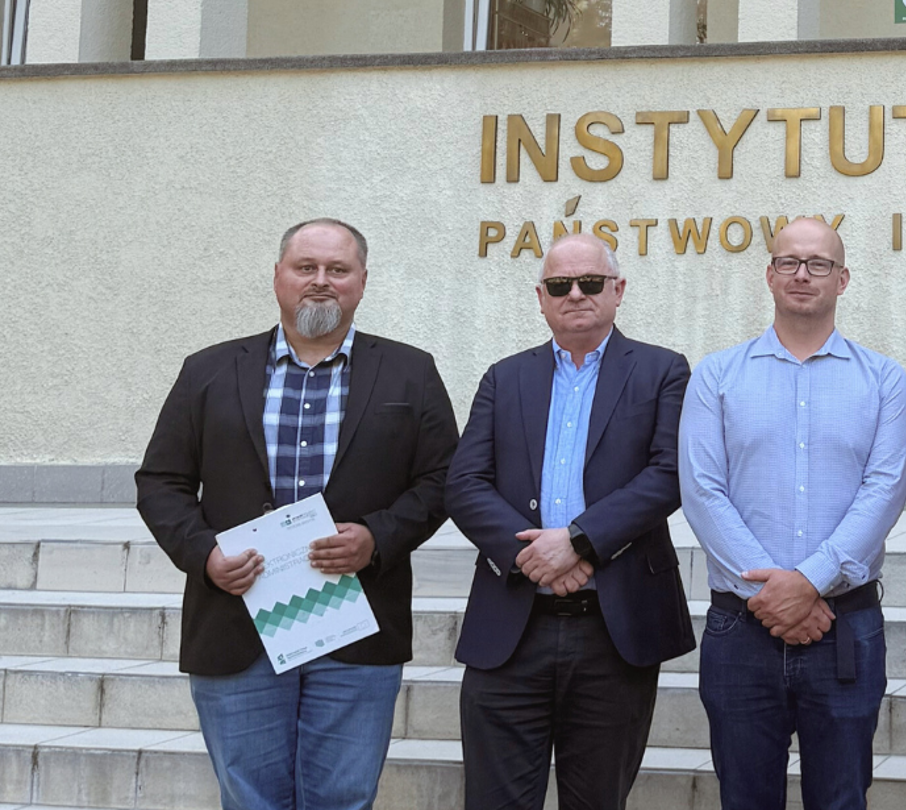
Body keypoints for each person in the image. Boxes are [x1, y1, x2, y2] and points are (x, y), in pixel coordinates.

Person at [134, 218, 459, 810]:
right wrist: (204, 555)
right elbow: (161, 481)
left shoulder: (411, 371)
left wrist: (378, 538)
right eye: (305, 268)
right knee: (251, 799)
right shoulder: (207, 370)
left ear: (362, 282)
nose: (321, 282)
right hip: (237, 623)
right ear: (278, 277)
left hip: (356, 623)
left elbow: (443, 479)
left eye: (338, 270)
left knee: (343, 797)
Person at [445, 234, 695, 810]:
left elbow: (669, 474)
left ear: (618, 290)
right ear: (541, 297)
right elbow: (463, 482)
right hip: (511, 624)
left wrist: (579, 542)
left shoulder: (663, 371)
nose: (576, 294)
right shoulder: (504, 377)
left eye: (591, 282)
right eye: (561, 285)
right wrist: (530, 554)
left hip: (614, 629)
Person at [678, 216, 906, 810]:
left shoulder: (884, 380)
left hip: (844, 627)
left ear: (843, 280)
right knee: (745, 798)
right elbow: (702, 490)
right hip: (741, 628)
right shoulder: (717, 376)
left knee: (840, 799)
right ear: (769, 274)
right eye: (789, 261)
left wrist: (809, 582)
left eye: (819, 264)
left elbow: (885, 491)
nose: (803, 274)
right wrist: (774, 591)